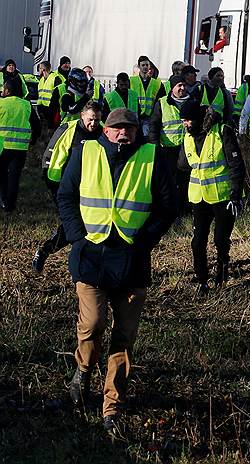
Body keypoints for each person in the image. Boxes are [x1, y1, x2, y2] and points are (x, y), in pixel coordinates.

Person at [56, 108, 178, 434]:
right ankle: (83, 370)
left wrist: (145, 241)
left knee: (124, 337)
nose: (124, 133)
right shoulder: (87, 151)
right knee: (93, 324)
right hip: (91, 257)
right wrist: (76, 236)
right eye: (117, 128)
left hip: (132, 259)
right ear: (106, 131)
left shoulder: (153, 156)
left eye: (129, 128)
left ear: (137, 132)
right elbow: (65, 195)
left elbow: (169, 205)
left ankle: (112, 406)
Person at [177, 101, 244, 295]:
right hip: (199, 198)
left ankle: (222, 272)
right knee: (198, 241)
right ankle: (201, 280)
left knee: (220, 239)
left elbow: (236, 164)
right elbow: (182, 165)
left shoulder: (222, 131)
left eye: (188, 120)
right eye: (183, 120)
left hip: (224, 197)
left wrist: (236, 194)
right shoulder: (187, 137)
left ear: (199, 119)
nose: (185, 124)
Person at [33, 101, 103, 271]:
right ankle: (46, 251)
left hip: (91, 187)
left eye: (97, 120)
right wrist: (51, 181)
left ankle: (80, 259)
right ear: (82, 116)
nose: (93, 124)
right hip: (65, 187)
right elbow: (50, 153)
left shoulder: (102, 132)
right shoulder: (69, 129)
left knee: (82, 223)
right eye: (91, 119)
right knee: (74, 223)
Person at [149, 75, 192, 207]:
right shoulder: (162, 103)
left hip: (188, 148)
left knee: (185, 180)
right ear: (172, 87)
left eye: (184, 85)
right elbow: (154, 126)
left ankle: (183, 208)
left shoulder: (192, 101)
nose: (183, 88)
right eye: (179, 85)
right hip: (167, 149)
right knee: (168, 180)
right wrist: (155, 147)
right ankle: (167, 207)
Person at [0, 77, 41, 212]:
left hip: (2, 147)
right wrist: (33, 140)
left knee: (2, 175)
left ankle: (3, 199)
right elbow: (37, 126)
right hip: (20, 148)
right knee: (14, 177)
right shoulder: (26, 105)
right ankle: (10, 206)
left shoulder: (1, 103)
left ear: (7, 90)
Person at [130, 56, 166, 127]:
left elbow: (161, 100)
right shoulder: (131, 81)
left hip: (149, 117)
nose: (145, 67)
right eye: (143, 65)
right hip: (134, 116)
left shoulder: (157, 83)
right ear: (139, 67)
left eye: (147, 65)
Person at [36, 61, 63, 126]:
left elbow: (58, 95)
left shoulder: (55, 78)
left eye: (39, 68)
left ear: (43, 69)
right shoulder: (41, 79)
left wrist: (52, 109)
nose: (38, 70)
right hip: (41, 109)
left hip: (51, 110)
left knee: (50, 130)